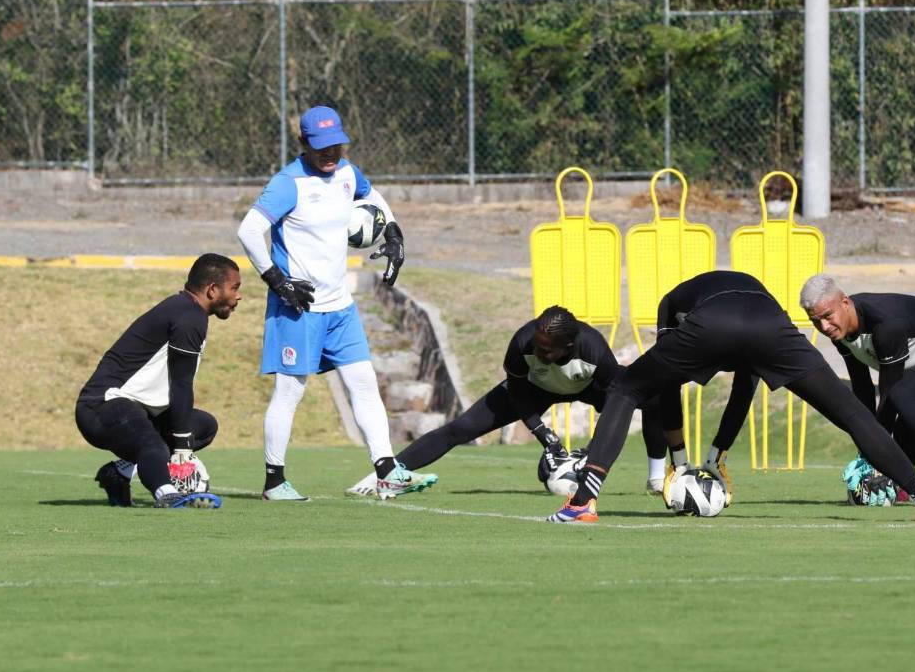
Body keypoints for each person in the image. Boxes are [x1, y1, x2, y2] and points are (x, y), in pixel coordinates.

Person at [550, 270, 915, 525]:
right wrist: (715, 453)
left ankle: (583, 502)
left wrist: (680, 462)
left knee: (625, 387)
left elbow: (663, 386)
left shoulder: (672, 302)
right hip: (772, 327)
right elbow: (746, 381)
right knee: (854, 413)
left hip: (713, 322)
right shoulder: (753, 292)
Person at [236, 104, 435, 502]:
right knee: (290, 392)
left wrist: (393, 232)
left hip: (340, 308)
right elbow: (249, 229)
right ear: (303, 143)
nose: (331, 154)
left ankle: (387, 471)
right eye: (322, 147)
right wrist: (276, 280)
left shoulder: (347, 172)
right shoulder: (287, 183)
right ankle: (274, 481)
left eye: (337, 146)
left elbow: (372, 194)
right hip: (299, 307)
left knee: (363, 384)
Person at [346, 305, 670, 495]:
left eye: (547, 350)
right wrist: (546, 436)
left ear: (569, 346)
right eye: (537, 345)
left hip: (587, 388)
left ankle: (657, 477)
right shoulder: (522, 342)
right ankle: (386, 476)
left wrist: (590, 452)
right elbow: (517, 394)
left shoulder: (594, 350)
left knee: (655, 399)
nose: (538, 352)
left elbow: (616, 404)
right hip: (534, 390)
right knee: (459, 429)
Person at [799, 274, 915, 509]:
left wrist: (874, 453)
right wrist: (865, 440)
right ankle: (901, 487)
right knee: (906, 423)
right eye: (815, 321)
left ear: (845, 303)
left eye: (827, 316)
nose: (824, 327)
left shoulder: (885, 327)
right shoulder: (840, 331)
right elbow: (863, 388)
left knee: (902, 397)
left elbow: (889, 394)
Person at [76, 253, 242, 509]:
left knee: (204, 425)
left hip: (136, 408)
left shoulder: (187, 310)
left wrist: (183, 444)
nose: (238, 296)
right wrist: (183, 451)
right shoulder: (189, 316)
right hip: (103, 405)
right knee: (152, 442)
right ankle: (167, 493)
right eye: (235, 288)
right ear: (212, 290)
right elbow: (181, 385)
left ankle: (119, 473)